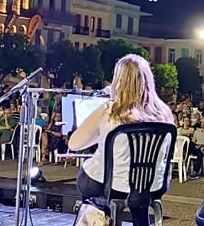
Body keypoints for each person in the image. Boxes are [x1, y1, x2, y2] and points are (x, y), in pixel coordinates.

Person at [68, 54, 175, 226]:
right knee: (138, 188)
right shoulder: (165, 113)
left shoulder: (109, 110)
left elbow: (74, 144)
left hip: (113, 185)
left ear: (118, 80)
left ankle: (100, 216)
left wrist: (100, 135)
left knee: (85, 178)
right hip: (153, 186)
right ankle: (141, 221)